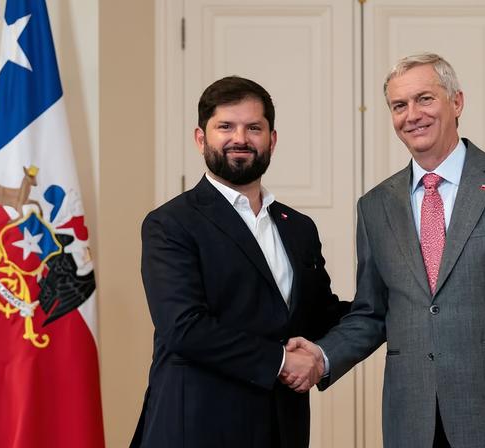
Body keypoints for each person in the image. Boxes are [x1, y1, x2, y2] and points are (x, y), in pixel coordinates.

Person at [285, 53, 485, 448]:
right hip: (413, 418)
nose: (412, 115)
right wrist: (322, 355)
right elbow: (373, 313)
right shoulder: (375, 206)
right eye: (399, 105)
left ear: (456, 102)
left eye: (425, 98)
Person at [131, 76, 350, 448]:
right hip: (196, 426)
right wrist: (282, 361)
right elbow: (184, 328)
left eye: (254, 127)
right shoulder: (170, 223)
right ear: (201, 138)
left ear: (272, 140)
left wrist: (394, 306)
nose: (240, 139)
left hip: (281, 427)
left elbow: (318, 315)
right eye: (225, 127)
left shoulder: (298, 227)